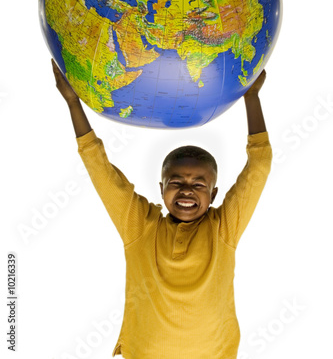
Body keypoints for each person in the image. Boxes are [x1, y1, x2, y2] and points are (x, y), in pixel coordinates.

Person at [51, 57, 272, 359]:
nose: (186, 190)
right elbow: (100, 168)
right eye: (176, 181)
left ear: (214, 193)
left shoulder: (223, 229)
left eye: (198, 184)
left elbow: (260, 163)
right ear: (161, 188)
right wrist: (72, 103)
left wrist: (251, 96)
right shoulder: (140, 227)